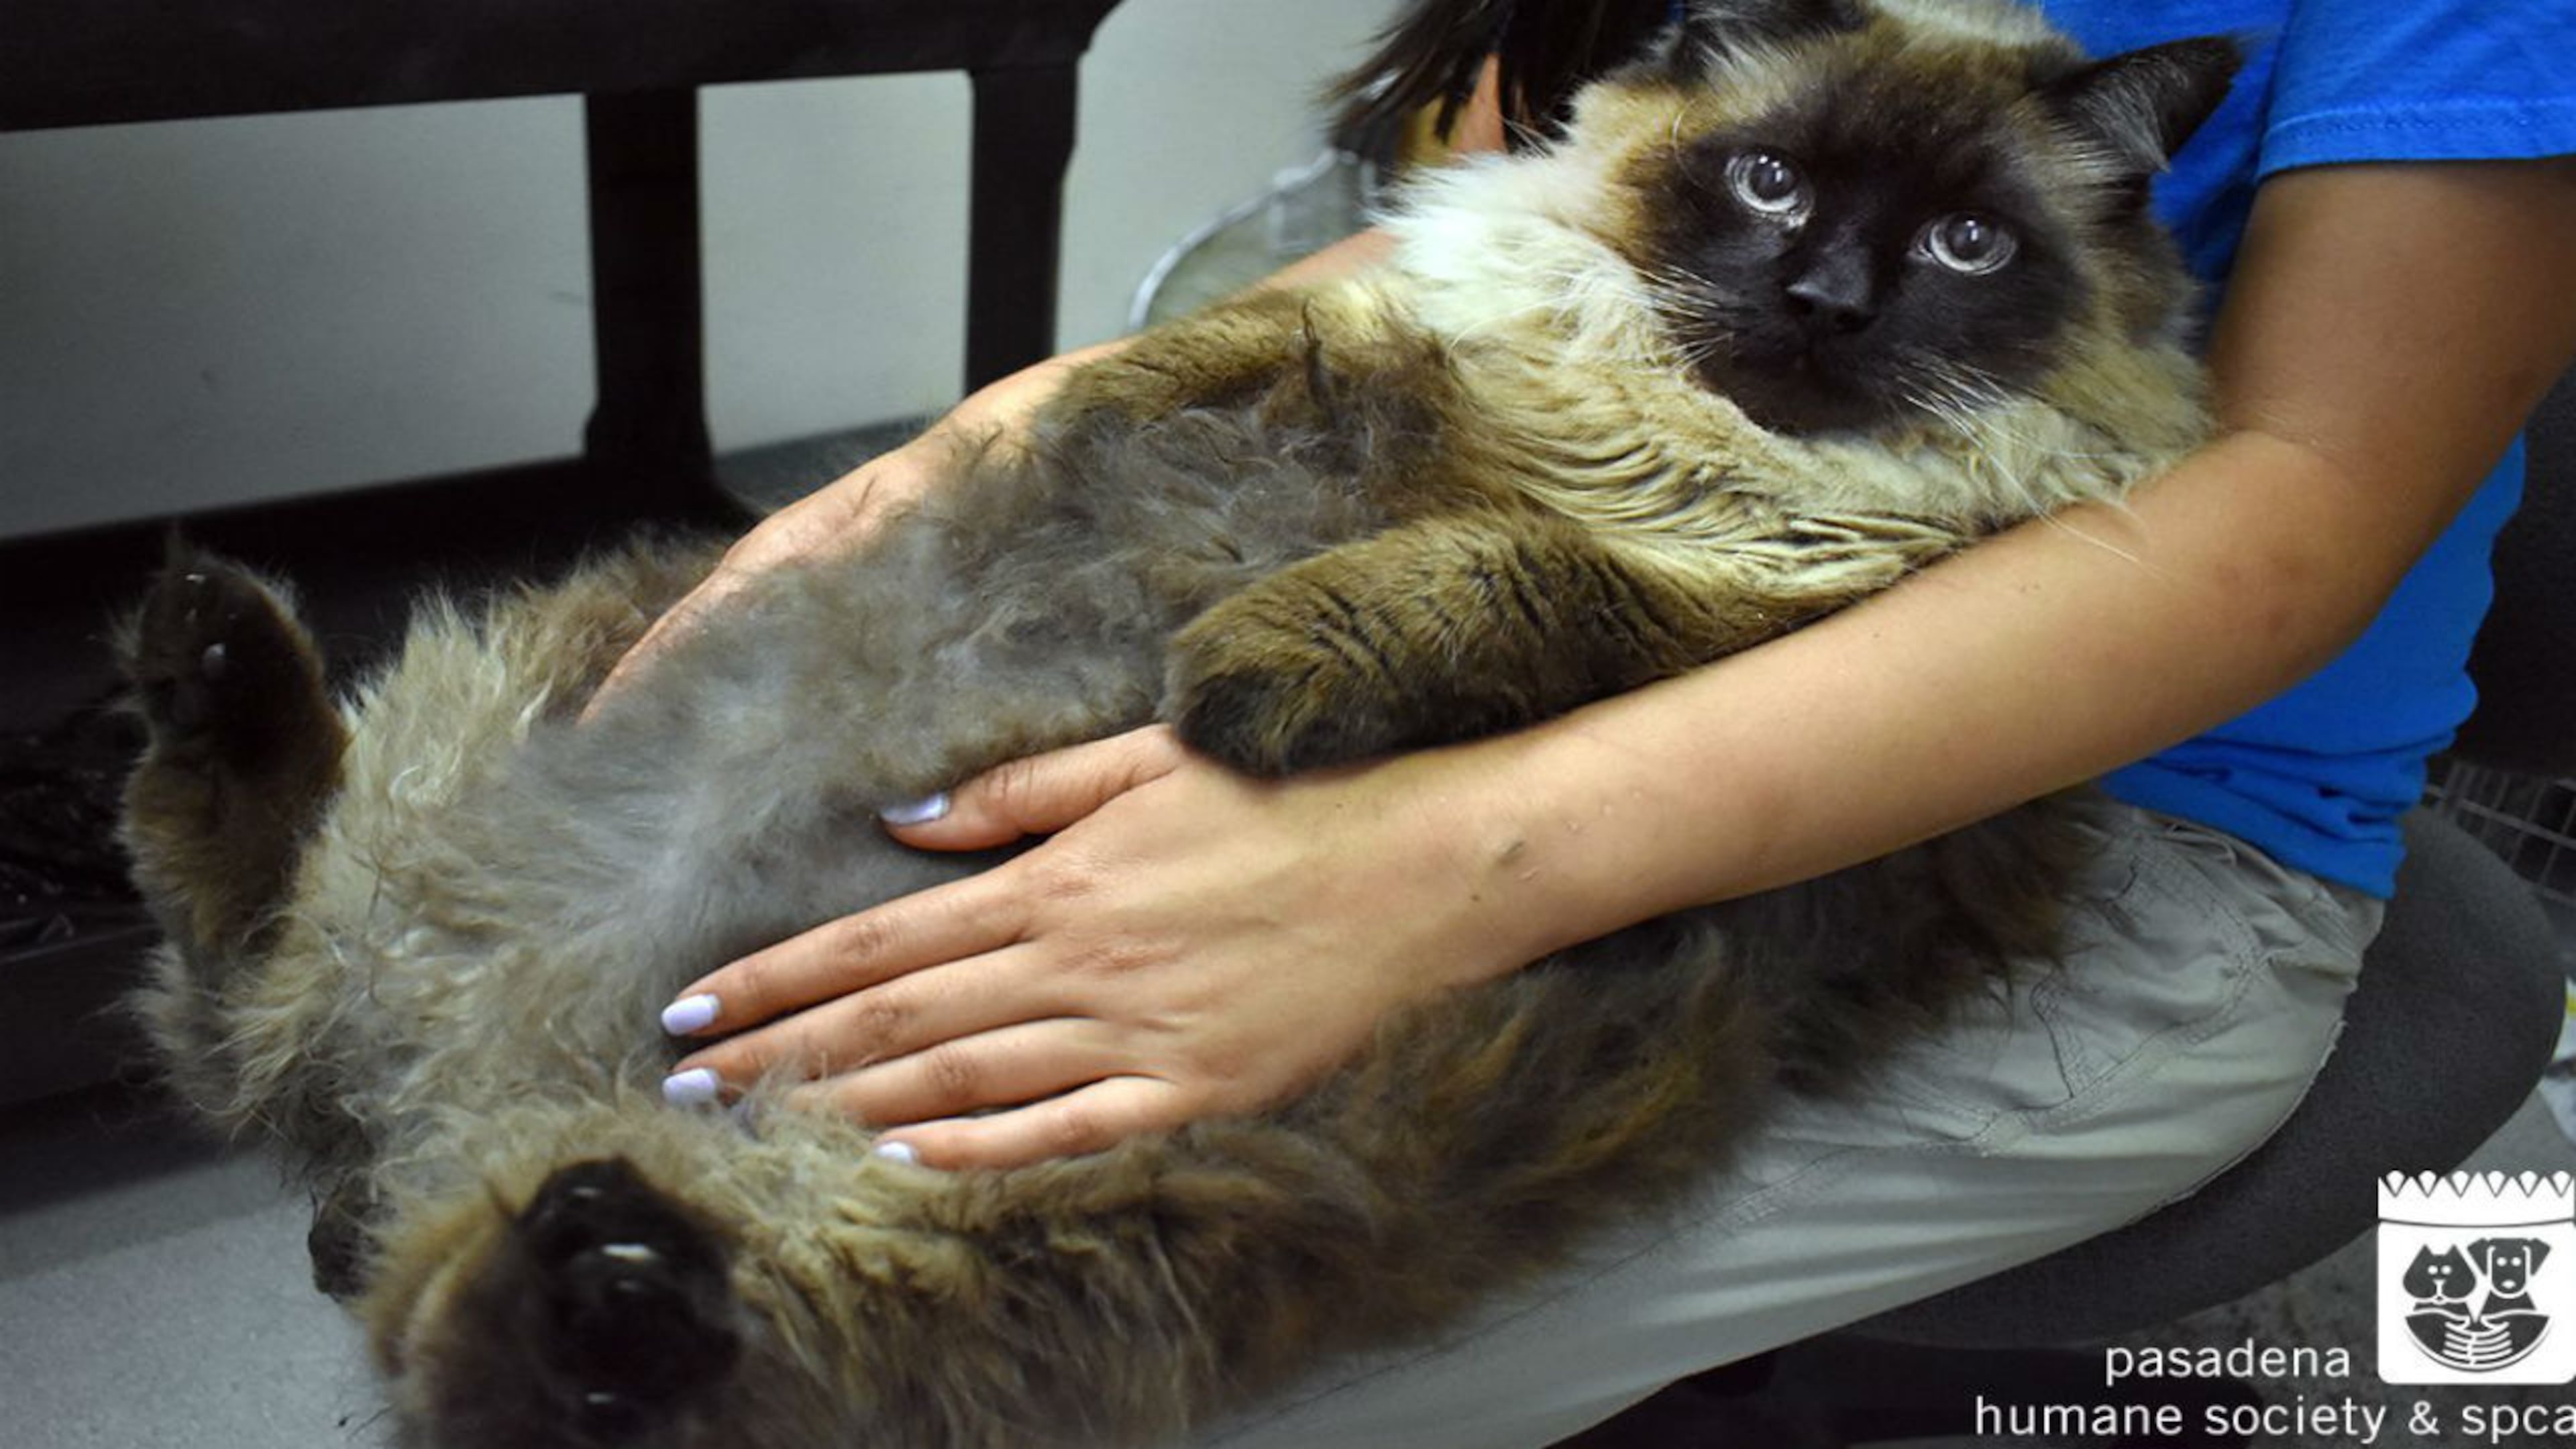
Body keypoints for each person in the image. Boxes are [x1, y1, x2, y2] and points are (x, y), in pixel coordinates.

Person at [605, 1, 2576, 1441]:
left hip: (2070, 815)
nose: (1830, 278)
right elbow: (1541, 201)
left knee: (975, 1372)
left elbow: (2303, 502)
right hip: (1537, 632)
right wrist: (1012, 415)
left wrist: (1438, 865)